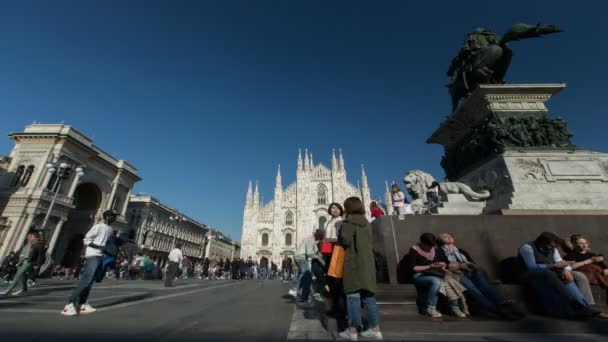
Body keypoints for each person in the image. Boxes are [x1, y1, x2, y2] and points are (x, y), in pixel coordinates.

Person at [518, 232, 606, 319]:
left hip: (549, 272)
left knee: (565, 275)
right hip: (527, 274)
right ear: (542, 243)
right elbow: (531, 267)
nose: (552, 249)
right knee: (550, 274)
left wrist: (566, 270)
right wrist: (552, 266)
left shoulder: (553, 249)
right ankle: (574, 304)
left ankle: (585, 307)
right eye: (550, 246)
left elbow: (560, 262)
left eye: (554, 247)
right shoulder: (527, 248)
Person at [437, 233, 522, 319]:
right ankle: (499, 311)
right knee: (476, 292)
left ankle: (505, 305)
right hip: (457, 274)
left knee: (487, 288)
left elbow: (471, 262)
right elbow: (444, 265)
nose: (449, 236)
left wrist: (472, 267)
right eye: (444, 236)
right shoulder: (439, 251)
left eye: (450, 235)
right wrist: (460, 266)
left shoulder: (461, 251)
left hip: (471, 272)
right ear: (440, 240)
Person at [338, 197, 383, 341]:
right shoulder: (366, 223)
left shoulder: (348, 223)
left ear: (348, 208)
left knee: (353, 295)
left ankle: (352, 331)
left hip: (353, 262)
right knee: (369, 296)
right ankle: (375, 330)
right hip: (368, 262)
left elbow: (345, 241)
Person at [62, 210, 117, 315]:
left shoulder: (110, 229)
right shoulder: (98, 227)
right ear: (107, 217)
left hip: (101, 255)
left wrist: (106, 250)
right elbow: (86, 240)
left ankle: (82, 304)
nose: (115, 219)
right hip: (93, 254)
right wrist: (99, 247)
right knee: (87, 280)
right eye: (113, 216)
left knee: (90, 281)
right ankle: (69, 305)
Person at [404, 233, 468, 318]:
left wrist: (442, 265)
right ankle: (431, 307)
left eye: (432, 246)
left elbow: (443, 262)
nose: (430, 248)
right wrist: (429, 266)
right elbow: (414, 268)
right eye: (428, 246)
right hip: (419, 275)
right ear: (422, 243)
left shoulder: (434, 249)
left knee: (450, 280)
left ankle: (455, 307)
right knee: (436, 281)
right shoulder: (414, 250)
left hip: (434, 273)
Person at [289, 229, 325, 305]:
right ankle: (298, 293)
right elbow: (310, 253)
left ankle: (299, 293)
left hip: (301, 258)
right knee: (307, 275)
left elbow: (316, 251)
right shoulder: (310, 240)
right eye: (320, 238)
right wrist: (319, 259)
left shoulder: (312, 241)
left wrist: (321, 258)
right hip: (300, 257)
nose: (319, 240)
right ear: (318, 236)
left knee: (306, 276)